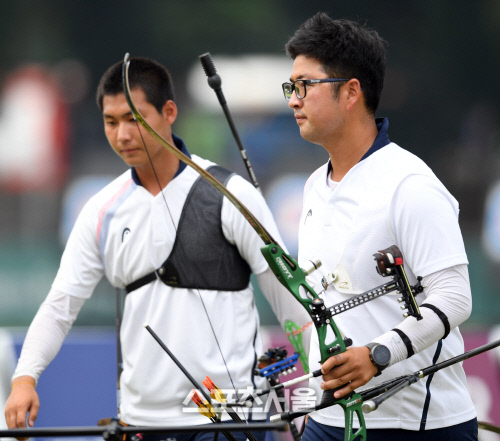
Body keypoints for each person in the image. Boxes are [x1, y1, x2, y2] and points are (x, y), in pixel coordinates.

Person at [4, 57, 311, 441]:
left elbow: (289, 300)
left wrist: (321, 374)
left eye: (134, 118)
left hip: (231, 421)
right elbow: (60, 305)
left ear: (169, 112)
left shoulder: (231, 193)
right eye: (110, 122)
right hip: (141, 423)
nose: (122, 135)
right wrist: (24, 378)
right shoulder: (101, 210)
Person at [282, 12, 477, 441]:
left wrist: (379, 352)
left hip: (413, 423)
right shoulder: (314, 186)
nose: (293, 100)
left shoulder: (410, 184)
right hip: (329, 417)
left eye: (305, 86)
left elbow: (455, 296)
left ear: (351, 92)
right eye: (290, 88)